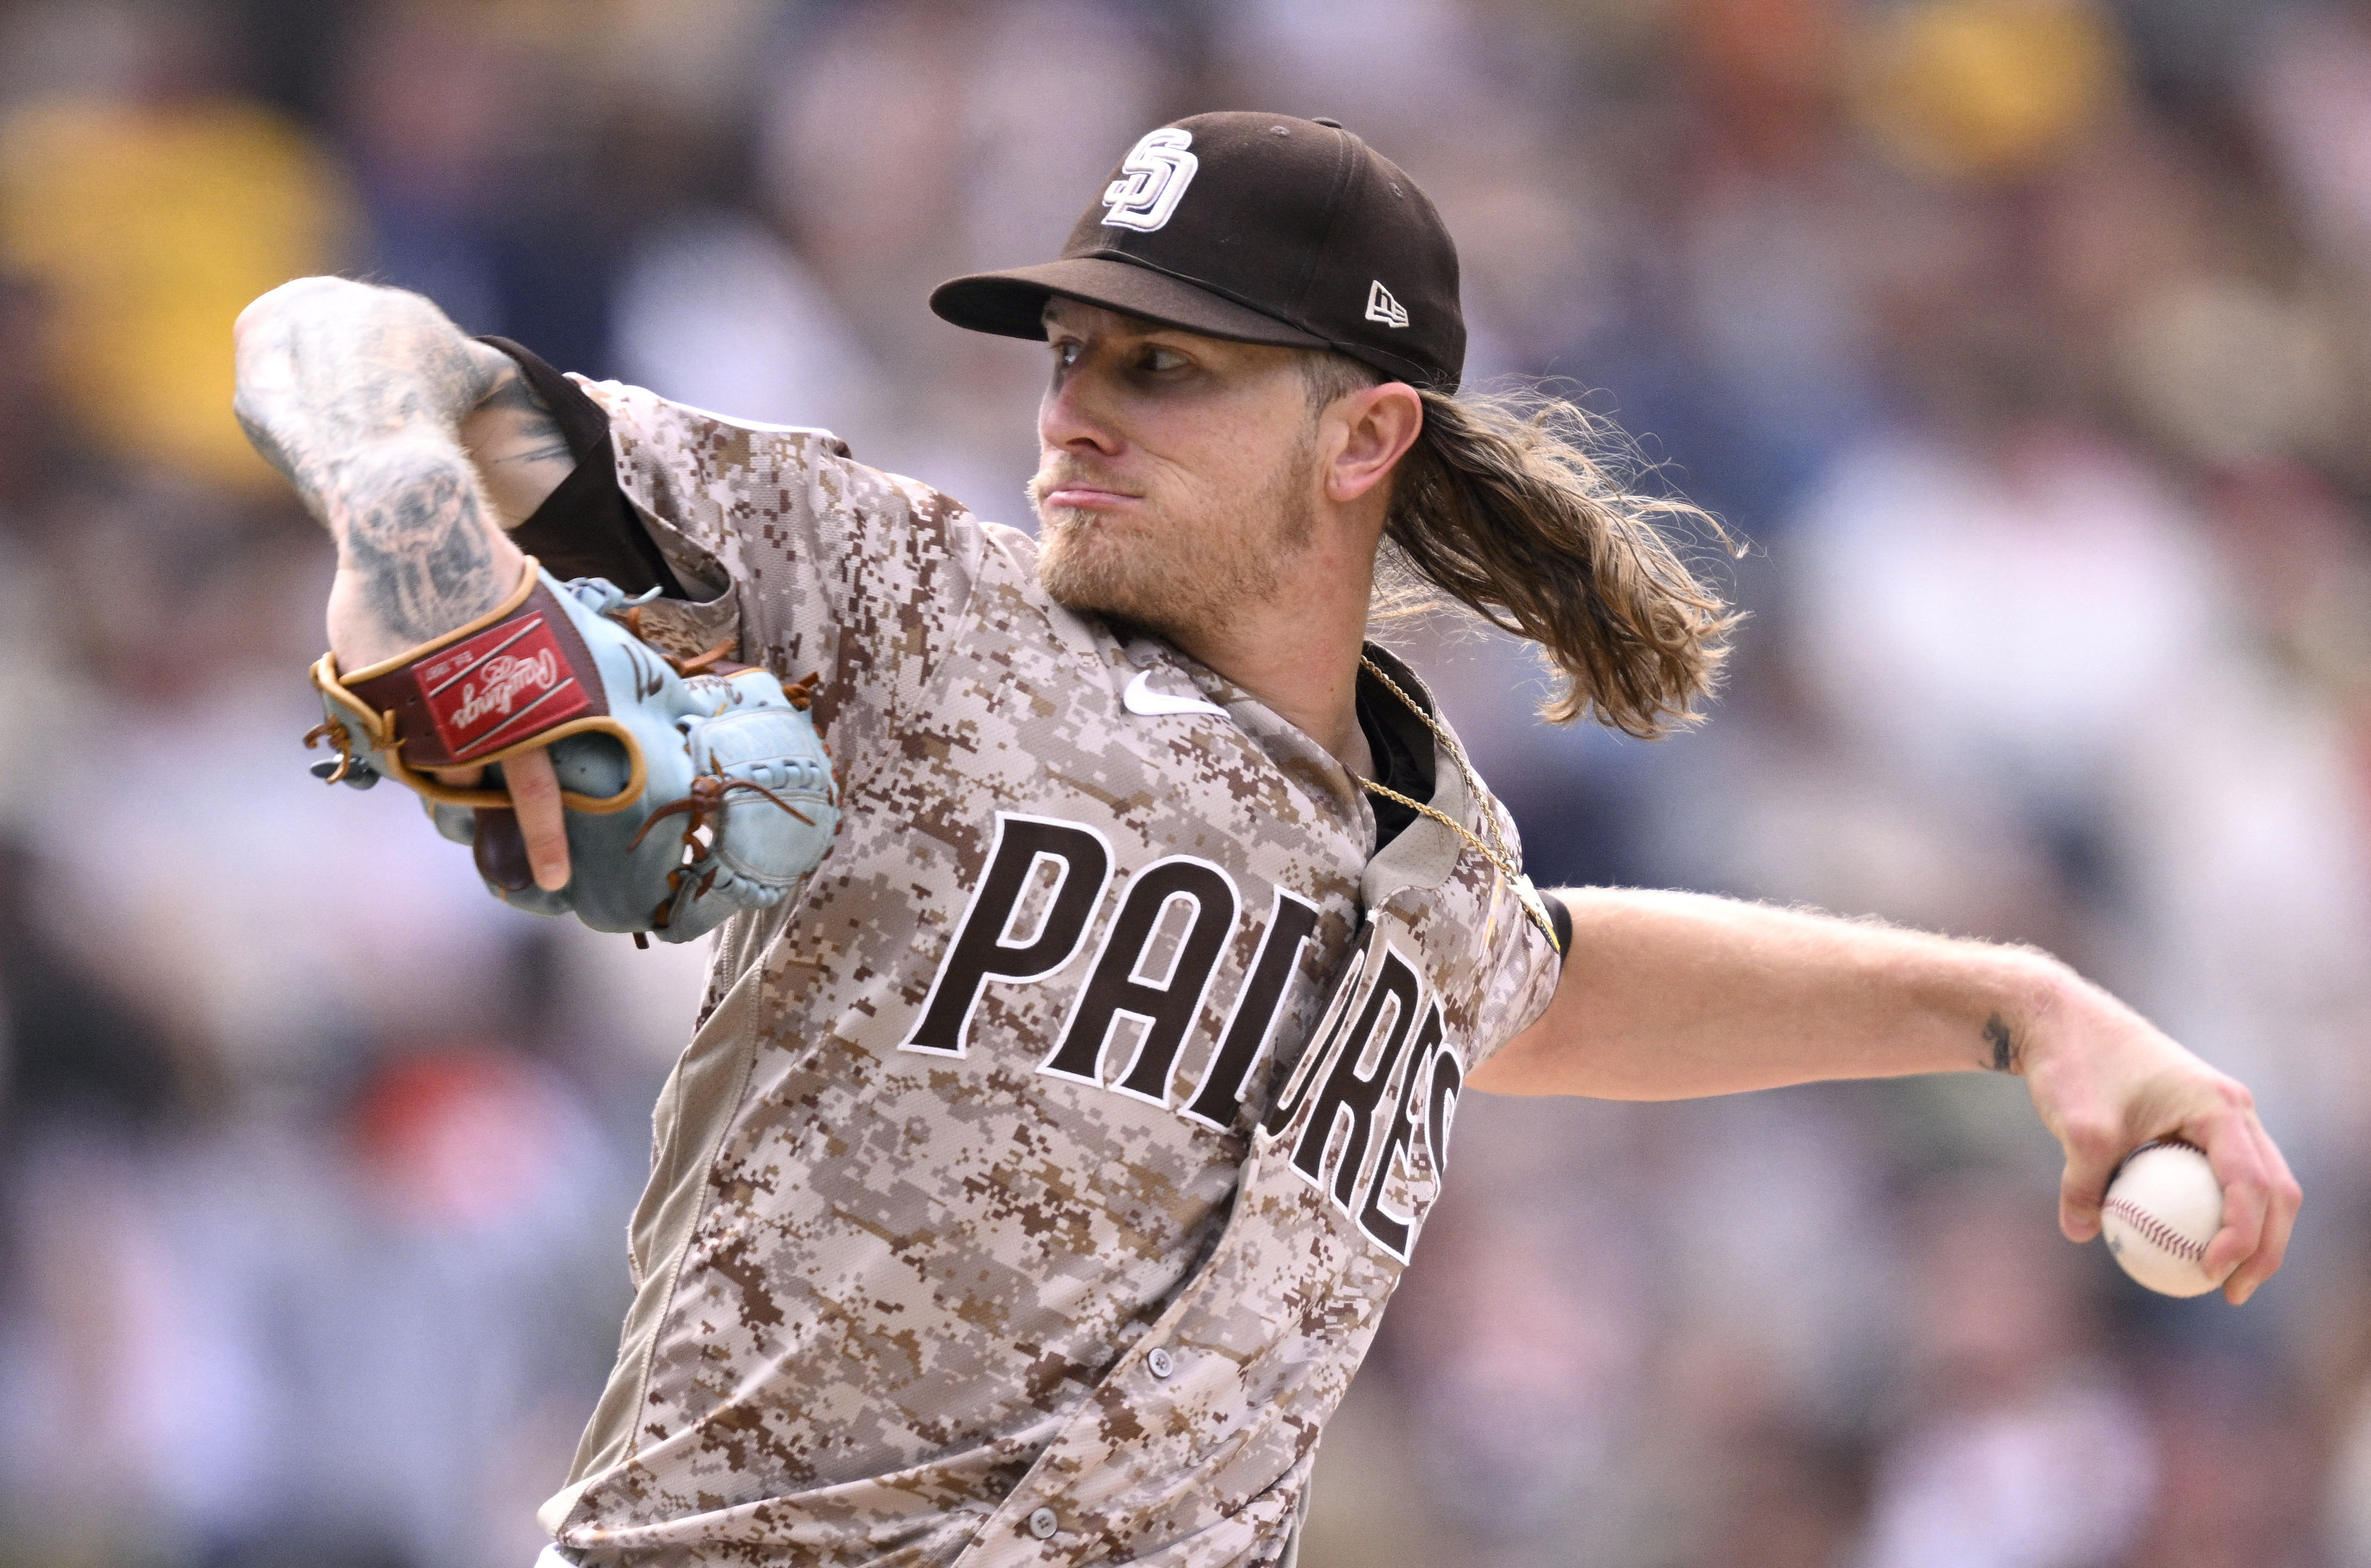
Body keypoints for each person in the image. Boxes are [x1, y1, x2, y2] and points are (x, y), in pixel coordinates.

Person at [232, 113, 2298, 1568]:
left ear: (1366, 433)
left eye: (1164, 365)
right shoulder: (912, 604)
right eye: (1067, 355)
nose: (1074, 411)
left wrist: (2021, 1008)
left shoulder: (1433, 863)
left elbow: (1550, 980)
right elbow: (330, 342)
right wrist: (421, 545)